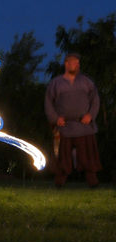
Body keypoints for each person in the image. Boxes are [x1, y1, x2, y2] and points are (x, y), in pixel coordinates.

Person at [45, 53, 101, 187]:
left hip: (84, 125)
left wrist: (90, 115)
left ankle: (93, 183)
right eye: (73, 62)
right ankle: (59, 184)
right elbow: (48, 102)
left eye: (78, 63)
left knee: (87, 156)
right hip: (64, 126)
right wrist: (55, 118)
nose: (76, 65)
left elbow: (95, 100)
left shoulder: (86, 82)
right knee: (62, 157)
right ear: (66, 64)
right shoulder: (56, 83)